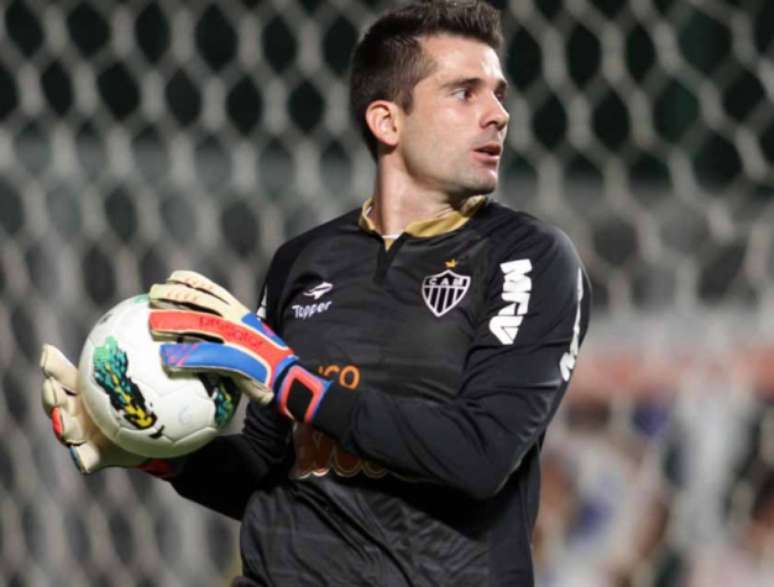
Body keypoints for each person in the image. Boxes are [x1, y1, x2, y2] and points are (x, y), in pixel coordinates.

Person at [40, 1, 591, 584]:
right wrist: (150, 446)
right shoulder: (304, 261)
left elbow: (481, 455)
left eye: (499, 93)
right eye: (465, 92)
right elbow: (269, 473)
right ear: (387, 122)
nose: (498, 114)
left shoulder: (528, 258)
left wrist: (288, 380)